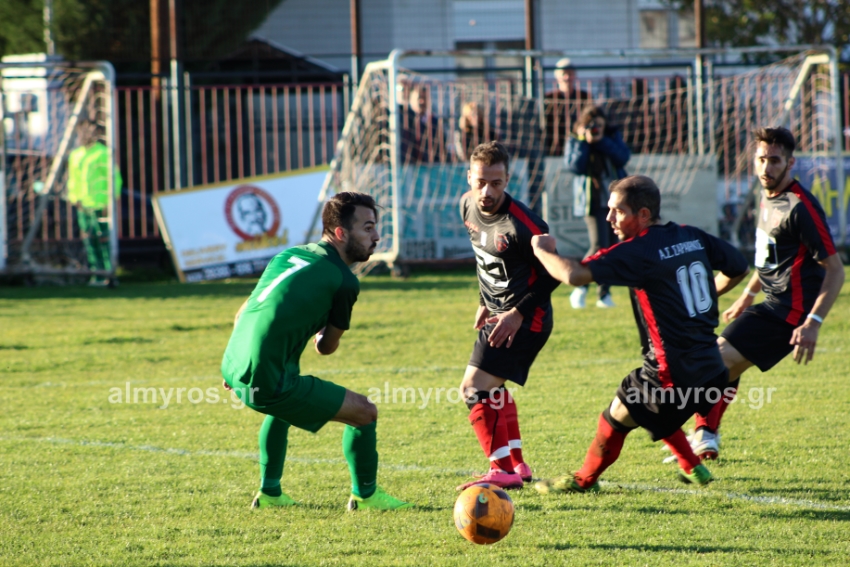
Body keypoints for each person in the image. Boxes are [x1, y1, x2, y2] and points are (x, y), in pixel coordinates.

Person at [531, 175, 750, 492]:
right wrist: (702, 297)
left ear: (644, 214)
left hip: (670, 375)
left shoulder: (638, 251)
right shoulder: (691, 235)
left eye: (618, 211)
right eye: (609, 210)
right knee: (644, 409)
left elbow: (574, 275)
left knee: (618, 413)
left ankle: (583, 480)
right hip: (713, 370)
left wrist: (541, 250)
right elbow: (739, 267)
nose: (609, 218)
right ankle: (692, 466)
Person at [220, 191, 412, 511]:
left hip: (233, 365)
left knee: (281, 408)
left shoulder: (288, 255)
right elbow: (326, 347)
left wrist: (238, 363)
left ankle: (270, 494)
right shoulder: (344, 281)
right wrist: (322, 332)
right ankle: (366, 496)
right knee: (365, 413)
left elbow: (243, 314)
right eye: (367, 228)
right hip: (265, 378)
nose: (377, 236)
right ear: (340, 233)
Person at [684, 127, 845, 460]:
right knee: (727, 364)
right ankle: (706, 435)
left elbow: (836, 269)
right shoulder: (768, 196)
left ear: (790, 163)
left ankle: (702, 433)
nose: (766, 167)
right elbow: (770, 257)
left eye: (774, 160)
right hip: (772, 304)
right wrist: (747, 294)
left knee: (715, 361)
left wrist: (813, 322)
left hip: (791, 312)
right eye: (761, 159)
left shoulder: (801, 207)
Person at [456, 141, 561, 491]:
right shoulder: (466, 206)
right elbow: (483, 257)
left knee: (473, 388)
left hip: (526, 319)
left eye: (496, 183)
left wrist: (516, 313)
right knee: (493, 388)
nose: (487, 191)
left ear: (507, 180)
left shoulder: (525, 224)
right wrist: (485, 300)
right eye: (481, 182)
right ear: (469, 177)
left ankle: (501, 470)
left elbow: (552, 275)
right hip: (499, 313)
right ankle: (517, 464)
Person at [564, 105, 630, 309]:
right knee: (598, 245)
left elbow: (623, 157)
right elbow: (575, 166)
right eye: (592, 126)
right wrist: (584, 141)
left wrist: (602, 141)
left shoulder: (611, 137)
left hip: (615, 201)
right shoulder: (576, 139)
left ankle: (604, 294)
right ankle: (580, 287)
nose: (596, 129)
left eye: (599, 125)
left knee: (611, 248)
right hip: (592, 201)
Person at [66, 119, 123, 286]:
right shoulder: (76, 155)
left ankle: (109, 273)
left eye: (90, 131)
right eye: (83, 131)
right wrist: (74, 198)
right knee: (89, 240)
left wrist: (109, 202)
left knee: (104, 239)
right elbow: (73, 180)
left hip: (100, 205)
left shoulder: (103, 153)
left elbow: (115, 178)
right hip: (83, 205)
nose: (86, 134)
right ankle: (96, 274)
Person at [542, 58, 591, 156]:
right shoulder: (549, 98)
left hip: (579, 142)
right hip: (556, 144)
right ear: (557, 76)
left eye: (570, 74)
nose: (567, 77)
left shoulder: (584, 96)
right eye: (564, 73)